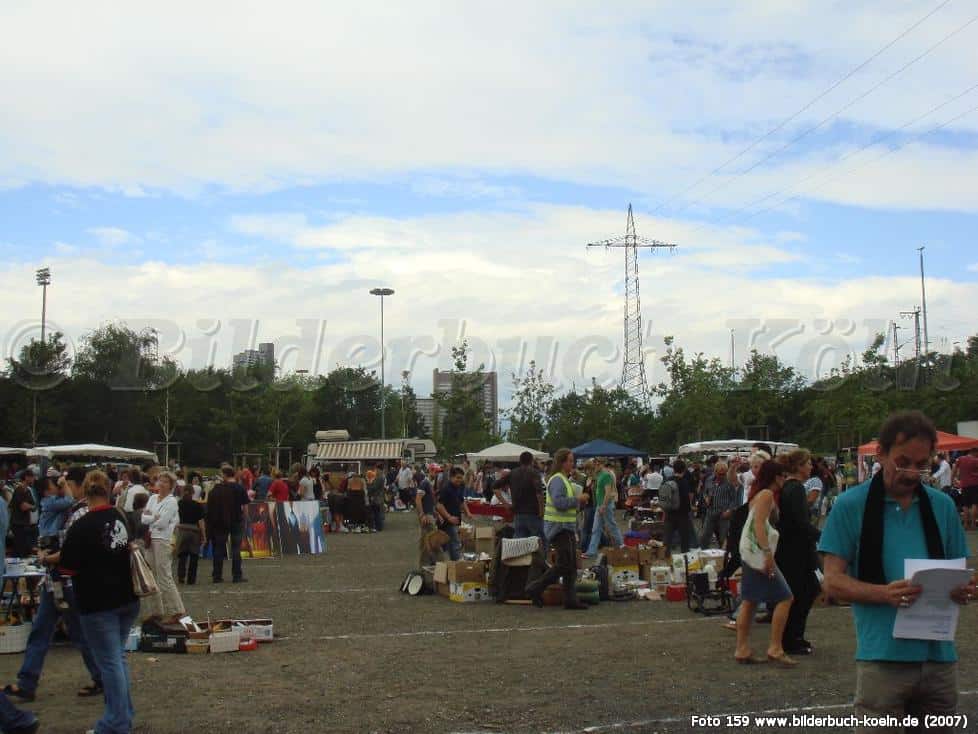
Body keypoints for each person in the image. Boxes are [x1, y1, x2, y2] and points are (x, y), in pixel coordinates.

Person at [820, 411, 974, 731]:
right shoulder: (850, 505)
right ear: (880, 453)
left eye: (922, 465)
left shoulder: (942, 506)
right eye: (903, 462)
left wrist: (966, 588)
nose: (912, 473)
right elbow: (832, 581)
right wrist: (883, 594)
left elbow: (962, 571)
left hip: (939, 658)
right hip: (882, 659)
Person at [3, 466, 103, 704]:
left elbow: (69, 552)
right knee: (44, 631)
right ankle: (27, 683)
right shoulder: (70, 510)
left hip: (66, 581)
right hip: (55, 581)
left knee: (76, 633)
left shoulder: (79, 513)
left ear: (78, 486)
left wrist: (46, 557)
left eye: (67, 485)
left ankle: (101, 677)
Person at [58, 469, 140, 734]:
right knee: (117, 658)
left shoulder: (81, 525)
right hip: (127, 597)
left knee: (110, 662)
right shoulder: (120, 517)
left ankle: (116, 723)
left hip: (98, 602)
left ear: (84, 491)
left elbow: (67, 567)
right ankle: (122, 715)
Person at [734, 459, 796, 666]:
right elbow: (759, 525)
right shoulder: (767, 495)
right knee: (785, 597)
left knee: (750, 601)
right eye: (783, 476)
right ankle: (775, 647)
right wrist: (768, 553)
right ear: (775, 477)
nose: (784, 480)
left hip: (750, 554)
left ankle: (742, 648)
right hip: (758, 555)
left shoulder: (757, 495)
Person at [524, 448, 589, 610]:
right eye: (570, 461)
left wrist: (578, 502)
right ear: (562, 462)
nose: (573, 464)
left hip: (565, 526)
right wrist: (578, 499)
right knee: (565, 564)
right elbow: (559, 503)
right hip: (559, 527)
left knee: (570, 565)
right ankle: (535, 587)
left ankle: (570, 599)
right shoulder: (558, 480)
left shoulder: (563, 479)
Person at [776, 449, 821, 656]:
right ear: (799, 466)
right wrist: (821, 535)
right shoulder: (796, 489)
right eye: (808, 463)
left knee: (803, 592)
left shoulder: (790, 487)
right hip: (796, 550)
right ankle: (792, 639)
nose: (811, 466)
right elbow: (800, 523)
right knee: (805, 592)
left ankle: (794, 637)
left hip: (790, 548)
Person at [207, 465, 249, 583]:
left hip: (221, 520)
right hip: (237, 520)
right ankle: (237, 575)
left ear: (225, 475)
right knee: (236, 548)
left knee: (219, 547)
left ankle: (217, 575)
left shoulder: (219, 488)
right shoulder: (240, 488)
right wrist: (244, 519)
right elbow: (245, 507)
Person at [494, 451, 545, 543]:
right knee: (537, 542)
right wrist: (541, 511)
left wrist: (505, 504)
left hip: (518, 514)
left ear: (520, 461)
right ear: (531, 461)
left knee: (519, 544)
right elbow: (539, 493)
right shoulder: (534, 473)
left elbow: (495, 487)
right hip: (533, 513)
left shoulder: (512, 473)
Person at [584, 458, 625, 557]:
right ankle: (591, 551)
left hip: (605, 505)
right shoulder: (599, 475)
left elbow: (608, 493)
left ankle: (622, 546)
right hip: (601, 505)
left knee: (611, 526)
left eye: (598, 464)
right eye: (595, 464)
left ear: (602, 464)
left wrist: (603, 505)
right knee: (596, 529)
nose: (596, 466)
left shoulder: (606, 475)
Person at [699, 461, 738, 549]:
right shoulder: (709, 480)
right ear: (715, 471)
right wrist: (706, 498)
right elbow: (705, 492)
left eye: (724, 474)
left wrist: (729, 511)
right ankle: (703, 553)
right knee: (704, 536)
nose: (722, 476)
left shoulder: (729, 481)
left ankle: (724, 555)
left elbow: (734, 499)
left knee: (723, 538)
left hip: (723, 515)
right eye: (720, 474)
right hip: (710, 512)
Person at [435, 468, 471, 561]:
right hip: (447, 522)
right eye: (457, 477)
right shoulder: (446, 489)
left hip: (455, 520)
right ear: (451, 477)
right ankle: (456, 563)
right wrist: (449, 517)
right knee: (454, 543)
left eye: (461, 478)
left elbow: (462, 500)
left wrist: (468, 512)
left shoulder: (459, 487)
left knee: (448, 544)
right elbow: (439, 505)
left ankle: (446, 563)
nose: (460, 480)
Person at [662, 460, 695, 552]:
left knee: (667, 540)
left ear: (673, 469)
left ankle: (665, 557)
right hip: (682, 514)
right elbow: (687, 498)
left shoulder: (667, 480)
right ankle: (685, 557)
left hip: (669, 514)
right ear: (684, 470)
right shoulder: (684, 482)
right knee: (684, 540)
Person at [176, 483, 206, 585]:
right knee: (194, 555)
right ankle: (191, 579)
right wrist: (204, 536)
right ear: (193, 493)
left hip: (182, 530)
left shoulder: (179, 504)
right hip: (194, 531)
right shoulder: (197, 505)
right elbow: (201, 522)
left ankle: (181, 577)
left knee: (182, 555)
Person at [415, 468, 442, 566]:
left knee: (428, 540)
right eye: (435, 472)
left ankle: (430, 563)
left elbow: (430, 502)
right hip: (427, 516)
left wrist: (436, 514)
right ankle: (426, 565)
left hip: (429, 515)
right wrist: (422, 514)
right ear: (430, 471)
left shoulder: (429, 484)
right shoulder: (425, 483)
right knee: (427, 541)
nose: (437, 474)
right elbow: (418, 499)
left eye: (437, 472)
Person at [9, 469, 37, 558]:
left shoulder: (28, 491)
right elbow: (23, 507)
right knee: (19, 548)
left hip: (25, 524)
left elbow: (34, 507)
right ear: (26, 477)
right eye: (32, 477)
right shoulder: (19, 490)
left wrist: (29, 506)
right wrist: (29, 506)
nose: (33, 479)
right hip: (17, 523)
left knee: (25, 549)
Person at [951, 446, 978, 530]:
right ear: (975, 452)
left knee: (965, 505)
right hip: (975, 484)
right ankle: (973, 524)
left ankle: (966, 524)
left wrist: (952, 479)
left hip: (964, 485)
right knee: (974, 504)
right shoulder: (976, 460)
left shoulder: (960, 459)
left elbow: (954, 468)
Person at [366, 464, 386, 532]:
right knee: (377, 512)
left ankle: (378, 527)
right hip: (379, 497)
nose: (375, 471)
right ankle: (379, 526)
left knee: (376, 513)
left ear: (379, 469)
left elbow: (374, 487)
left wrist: (369, 486)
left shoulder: (379, 477)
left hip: (377, 497)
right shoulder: (381, 477)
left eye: (376, 470)